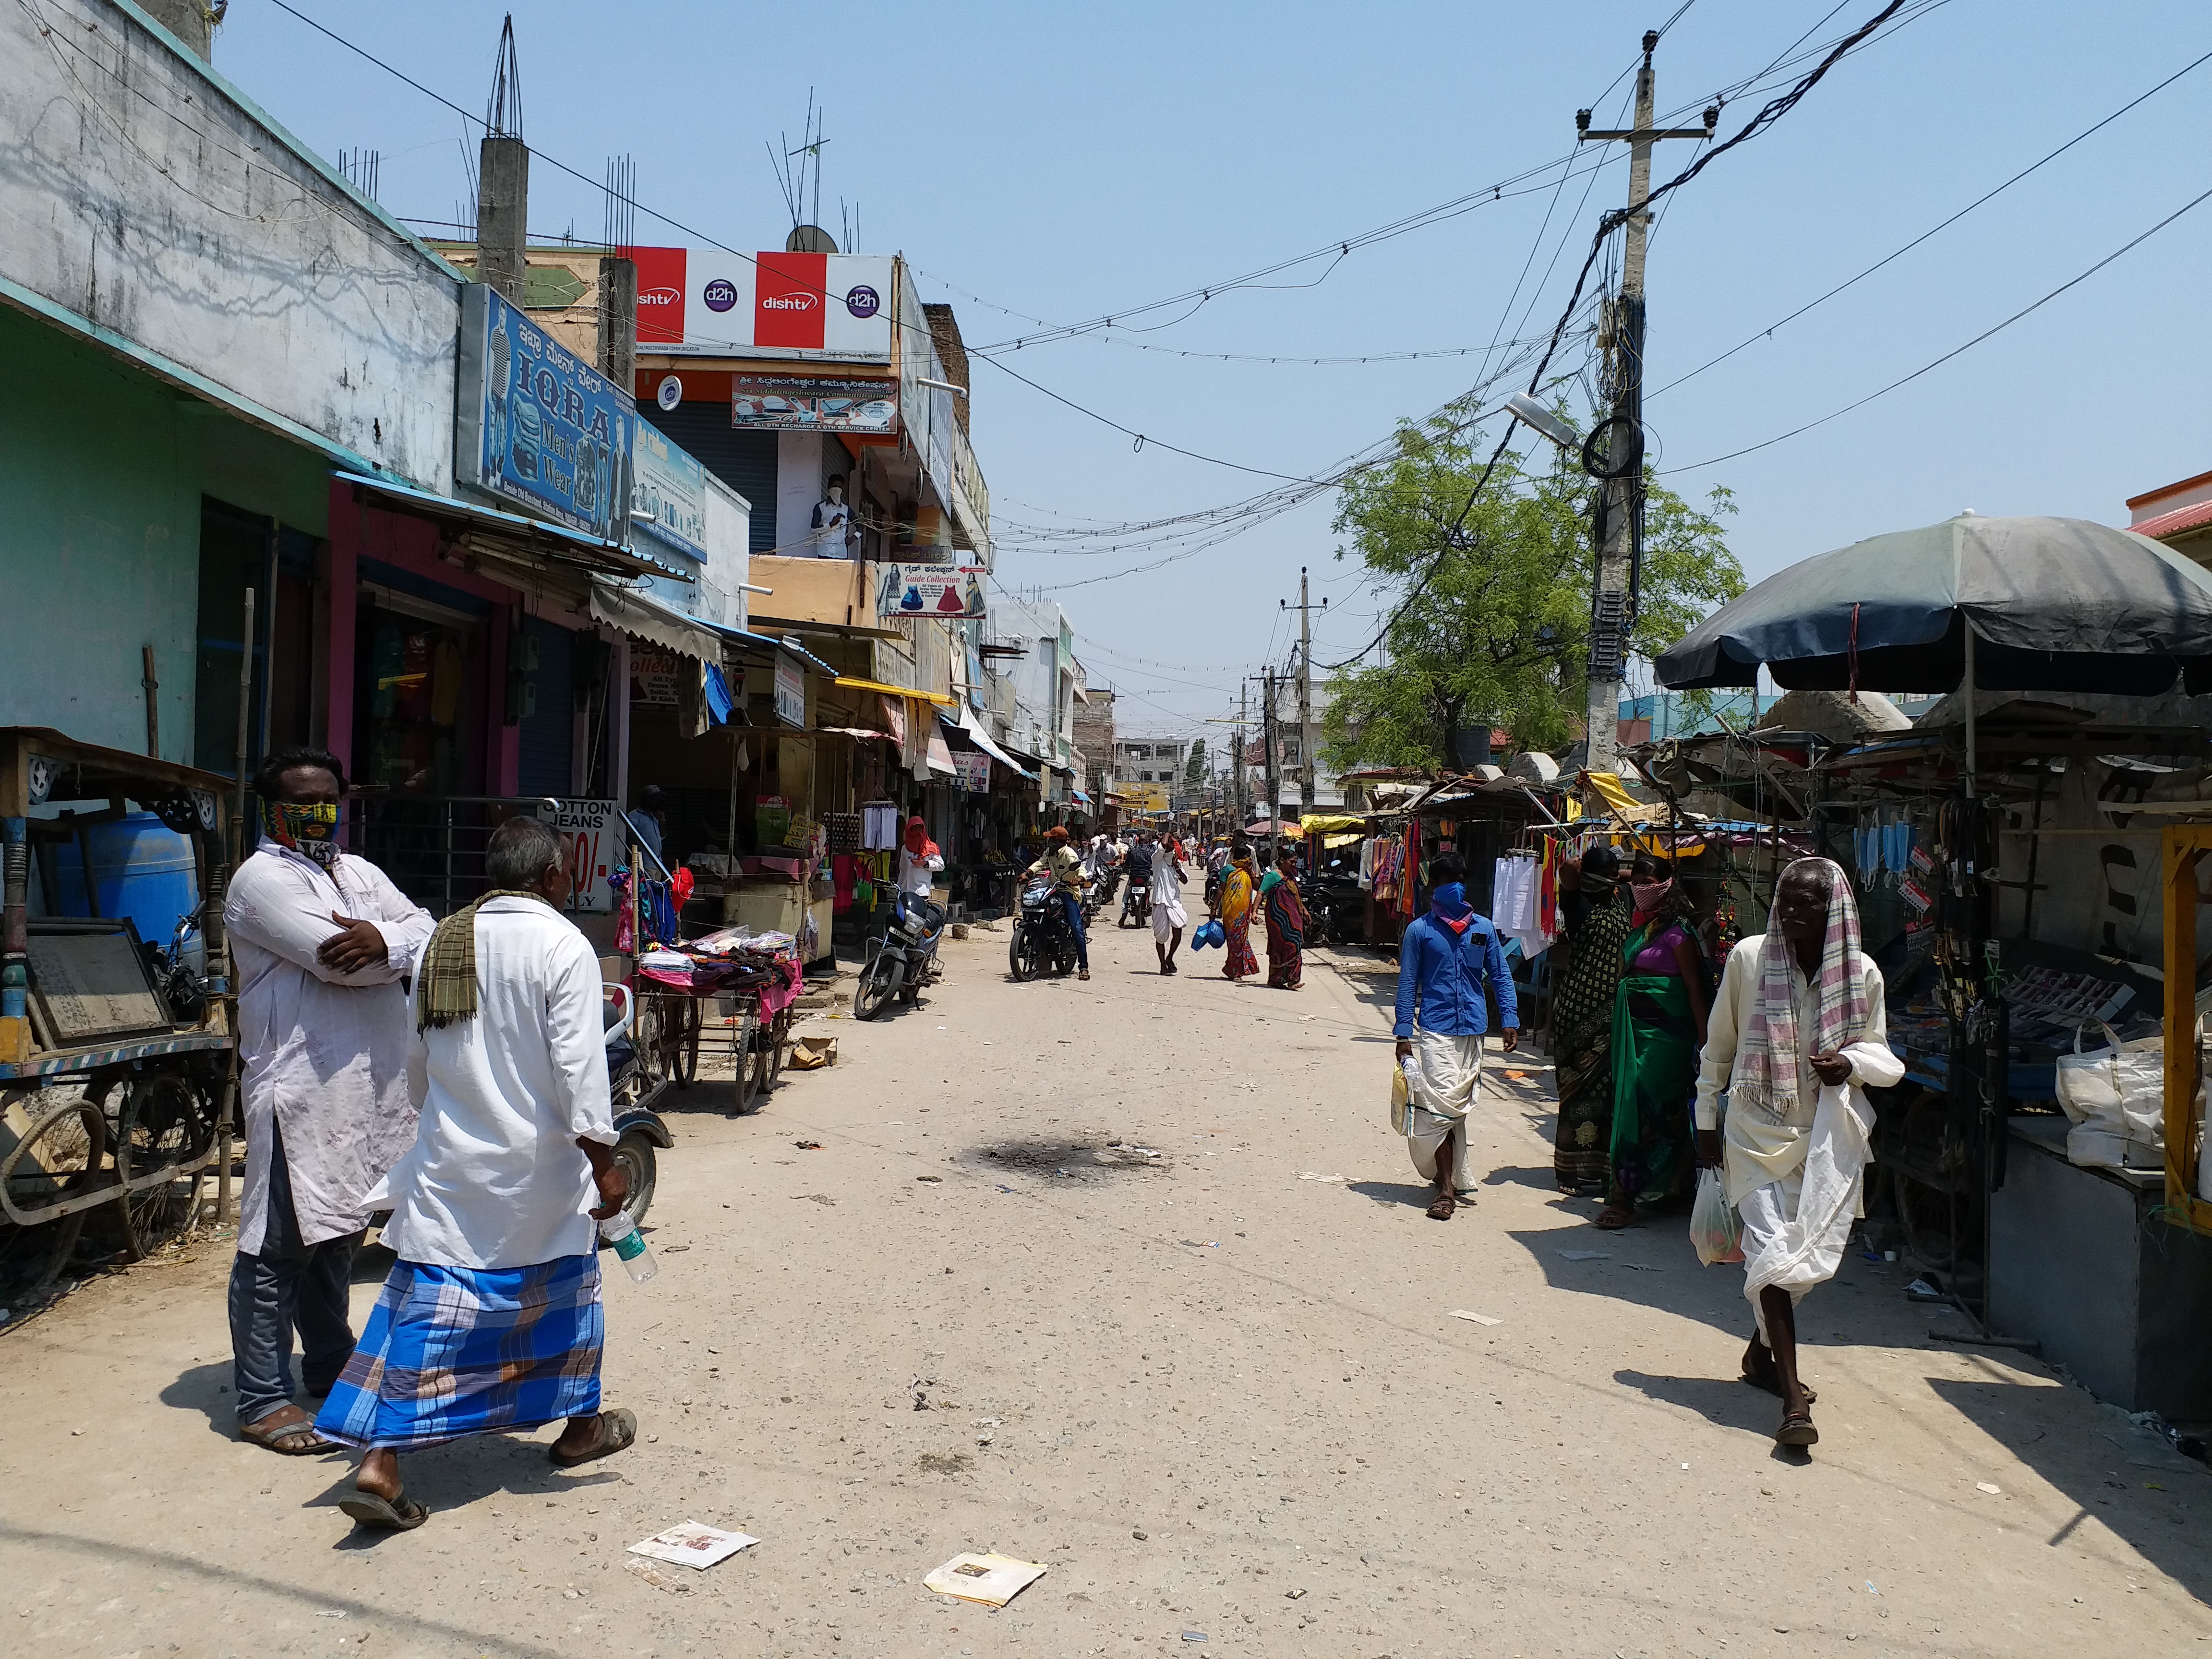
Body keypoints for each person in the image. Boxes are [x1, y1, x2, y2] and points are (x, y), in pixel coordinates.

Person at [316, 818, 636, 1528]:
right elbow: (581, 1072)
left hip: (452, 1166)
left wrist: (446, 1128)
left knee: (431, 1311)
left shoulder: (442, 942)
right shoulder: (562, 944)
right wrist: (605, 1164)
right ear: (554, 878)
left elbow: (417, 1061)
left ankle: (384, 1459)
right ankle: (575, 1429)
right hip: (540, 1172)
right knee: (567, 1306)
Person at [222, 746, 435, 1456]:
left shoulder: (356, 871)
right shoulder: (262, 882)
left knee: (339, 1233)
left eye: (328, 800)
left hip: (364, 1091)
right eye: (302, 801)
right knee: (277, 1244)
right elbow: (337, 963)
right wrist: (387, 945)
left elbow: (425, 929)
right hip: (300, 1093)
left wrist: (387, 938)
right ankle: (260, 1398)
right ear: (271, 809)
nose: (318, 814)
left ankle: (327, 1361)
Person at [1695, 857, 1900, 1448]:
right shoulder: (1750, 959)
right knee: (1776, 1259)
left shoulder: (1862, 975)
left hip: (1827, 1140)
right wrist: (1706, 1117)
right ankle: (1791, 1402)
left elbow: (1882, 1056)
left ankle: (1760, 1358)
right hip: (1755, 1132)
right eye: (1784, 899)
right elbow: (1719, 1045)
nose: (1790, 911)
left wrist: (1850, 1063)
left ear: (1833, 907)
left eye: (1805, 902)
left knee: (1804, 1266)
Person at [1393, 851, 1519, 1220]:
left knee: (1455, 1111)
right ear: (1436, 884)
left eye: (1460, 879)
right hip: (1434, 1029)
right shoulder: (1420, 931)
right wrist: (1403, 1034)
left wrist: (1509, 1019)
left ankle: (1447, 1176)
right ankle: (1447, 1189)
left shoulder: (1483, 929)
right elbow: (1407, 985)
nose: (1456, 887)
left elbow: (1500, 976)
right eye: (1449, 880)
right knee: (1440, 1106)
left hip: (1474, 1030)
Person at [1597, 854, 1710, 1229]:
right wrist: (1635, 876)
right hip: (1635, 1033)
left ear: (1665, 885)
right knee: (1629, 1104)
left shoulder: (1679, 935)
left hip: (1668, 1039)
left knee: (1659, 1109)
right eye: (1637, 881)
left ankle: (1656, 1189)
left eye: (1650, 882)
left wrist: (1706, 1042)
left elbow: (1696, 990)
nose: (1640, 888)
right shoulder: (1641, 929)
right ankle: (1625, 1194)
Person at [1549, 846, 1630, 1193]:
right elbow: (1567, 868)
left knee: (1604, 1095)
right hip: (1577, 1013)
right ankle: (1566, 1170)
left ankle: (1595, 1167)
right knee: (1574, 1092)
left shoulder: (1620, 901)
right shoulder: (1577, 902)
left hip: (1611, 1013)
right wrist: (1594, 869)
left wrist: (1618, 873)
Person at [1026, 825, 1090, 981]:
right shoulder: (1050, 853)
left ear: (1058, 841)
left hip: (1069, 892)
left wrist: (1079, 879)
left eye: (1051, 838)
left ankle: (1084, 967)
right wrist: (1028, 873)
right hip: (1052, 889)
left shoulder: (1069, 854)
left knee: (1076, 929)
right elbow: (1040, 863)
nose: (1048, 841)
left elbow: (1081, 870)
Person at [1259, 844, 1311, 989]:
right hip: (1277, 918)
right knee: (1279, 947)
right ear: (1282, 860)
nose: (1294, 865)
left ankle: (1293, 979)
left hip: (1293, 919)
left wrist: (1305, 911)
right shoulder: (1273, 876)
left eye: (1295, 862)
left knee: (1296, 943)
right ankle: (1275, 979)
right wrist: (1253, 912)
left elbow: (1296, 897)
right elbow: (1261, 893)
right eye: (1291, 862)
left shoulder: (1292, 877)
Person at [1216, 841, 1261, 982]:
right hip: (1231, 912)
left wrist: (1251, 873)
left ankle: (1234, 970)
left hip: (1244, 912)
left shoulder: (1248, 871)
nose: (1249, 860)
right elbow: (1221, 890)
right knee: (1234, 942)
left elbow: (1258, 887)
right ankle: (1235, 972)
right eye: (1247, 857)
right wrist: (1214, 907)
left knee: (1241, 941)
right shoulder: (1228, 869)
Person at [1151, 833, 1190, 974]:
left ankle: (1170, 958)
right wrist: (1166, 835)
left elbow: (1185, 881)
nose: (1169, 846)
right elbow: (1162, 848)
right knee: (1161, 937)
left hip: (1174, 902)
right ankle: (1162, 965)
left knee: (1178, 931)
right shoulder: (1157, 860)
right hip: (1160, 901)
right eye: (1167, 845)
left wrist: (1177, 867)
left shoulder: (1176, 864)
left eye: (1171, 846)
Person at [898, 815, 944, 898]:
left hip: (921, 892)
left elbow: (941, 866)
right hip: (906, 891)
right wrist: (899, 888)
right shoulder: (905, 848)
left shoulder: (931, 848)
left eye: (919, 829)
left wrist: (925, 864)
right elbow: (902, 870)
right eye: (914, 830)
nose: (917, 832)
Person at [628, 785, 667, 869]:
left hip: (658, 864)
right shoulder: (635, 816)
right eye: (655, 799)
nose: (657, 802)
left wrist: (662, 822)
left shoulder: (654, 817)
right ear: (648, 800)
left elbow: (662, 836)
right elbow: (630, 839)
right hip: (646, 864)